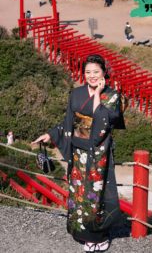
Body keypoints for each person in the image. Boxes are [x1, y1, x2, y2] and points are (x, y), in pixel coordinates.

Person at [32, 54, 125, 252]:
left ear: (104, 73)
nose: (91, 76)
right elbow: (68, 121)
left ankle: (99, 236)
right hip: (77, 153)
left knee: (95, 195)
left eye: (96, 72)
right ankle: (81, 232)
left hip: (98, 153)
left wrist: (99, 93)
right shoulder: (76, 93)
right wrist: (51, 134)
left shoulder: (113, 96)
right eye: (88, 72)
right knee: (78, 193)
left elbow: (103, 121)